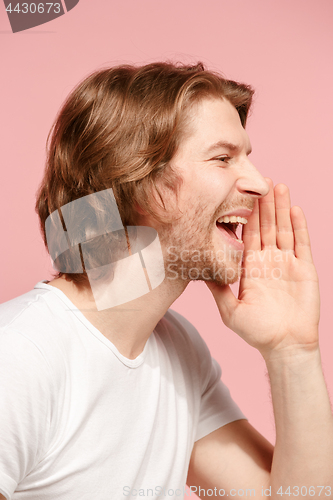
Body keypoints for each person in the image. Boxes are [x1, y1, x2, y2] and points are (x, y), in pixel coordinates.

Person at [0, 62, 332, 500]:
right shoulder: (20, 357)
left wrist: (293, 351)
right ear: (136, 180)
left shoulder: (178, 351)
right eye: (222, 158)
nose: (259, 183)